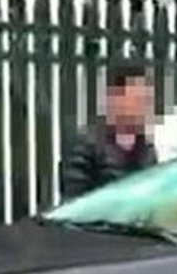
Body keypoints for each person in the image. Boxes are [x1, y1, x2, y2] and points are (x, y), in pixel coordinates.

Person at [63, 61, 157, 198]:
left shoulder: (147, 151)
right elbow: (76, 199)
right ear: (116, 99)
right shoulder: (88, 146)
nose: (142, 107)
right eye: (136, 99)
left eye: (145, 100)